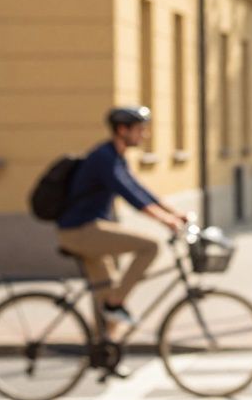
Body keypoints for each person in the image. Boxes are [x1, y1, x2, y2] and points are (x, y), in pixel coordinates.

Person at [57, 106, 188, 328]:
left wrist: (174, 213)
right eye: (140, 129)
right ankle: (115, 303)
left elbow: (140, 190)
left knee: (106, 295)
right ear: (122, 130)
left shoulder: (115, 157)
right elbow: (130, 196)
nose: (144, 135)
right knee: (150, 246)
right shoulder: (104, 158)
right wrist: (165, 220)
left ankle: (104, 353)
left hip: (88, 229)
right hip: (80, 231)